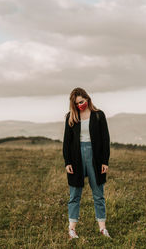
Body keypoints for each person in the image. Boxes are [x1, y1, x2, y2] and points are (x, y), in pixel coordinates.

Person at [62, 87, 111, 239]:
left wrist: (104, 161)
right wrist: (67, 162)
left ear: (87, 99)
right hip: (76, 157)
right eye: (77, 104)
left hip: (95, 157)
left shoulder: (98, 115)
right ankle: (72, 229)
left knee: (98, 194)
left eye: (81, 102)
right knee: (75, 194)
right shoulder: (71, 117)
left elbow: (105, 139)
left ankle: (102, 228)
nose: (80, 105)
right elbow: (67, 142)